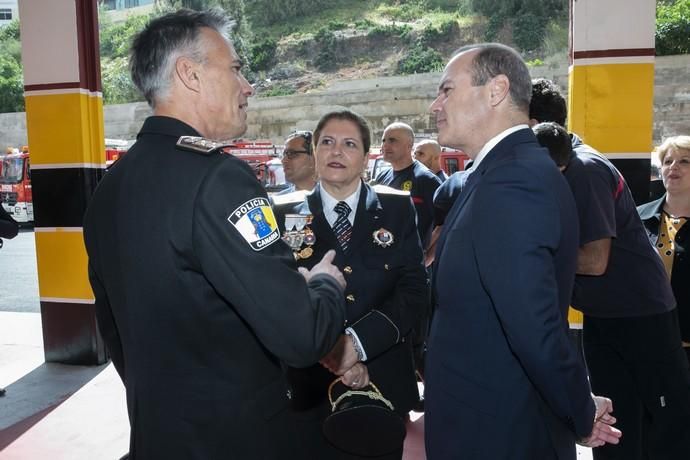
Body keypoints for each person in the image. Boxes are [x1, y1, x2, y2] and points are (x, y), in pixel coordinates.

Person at [83, 10, 348, 460]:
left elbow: (114, 330)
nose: (248, 87)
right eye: (237, 69)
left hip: (162, 435)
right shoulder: (218, 179)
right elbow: (301, 335)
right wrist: (326, 284)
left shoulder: (110, 185)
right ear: (190, 74)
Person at [424, 43, 621, 459]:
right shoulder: (498, 172)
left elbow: (534, 324)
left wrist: (580, 411)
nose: (434, 105)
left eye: (445, 90)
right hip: (486, 423)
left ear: (495, 90)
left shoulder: (514, 181)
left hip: (500, 434)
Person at [530, 79, 690, 460]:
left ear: (532, 121)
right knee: (613, 426)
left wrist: (526, 259)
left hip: (640, 314)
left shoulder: (582, 169)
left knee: (670, 424)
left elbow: (595, 260)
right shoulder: (559, 167)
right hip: (604, 313)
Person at [273, 110, 428, 460]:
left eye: (349, 144)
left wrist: (356, 345)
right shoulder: (280, 212)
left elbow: (415, 289)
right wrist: (331, 350)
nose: (336, 152)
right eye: (326, 142)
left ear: (366, 157)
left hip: (382, 380)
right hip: (308, 383)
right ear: (314, 153)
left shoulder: (396, 208)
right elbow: (274, 295)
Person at [638, 136, 690, 365]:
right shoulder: (637, 217)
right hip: (644, 340)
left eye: (685, 161)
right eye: (668, 161)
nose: (674, 167)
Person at [375, 122, 442, 247]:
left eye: (392, 140)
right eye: (383, 140)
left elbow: (443, 224)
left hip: (412, 262)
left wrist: (426, 254)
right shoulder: (381, 177)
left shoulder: (426, 179)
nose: (385, 145)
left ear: (409, 146)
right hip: (385, 256)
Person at [277, 130, 317, 194]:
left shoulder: (334, 199)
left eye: (291, 153)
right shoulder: (277, 201)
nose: (283, 160)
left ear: (314, 158)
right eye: (284, 155)